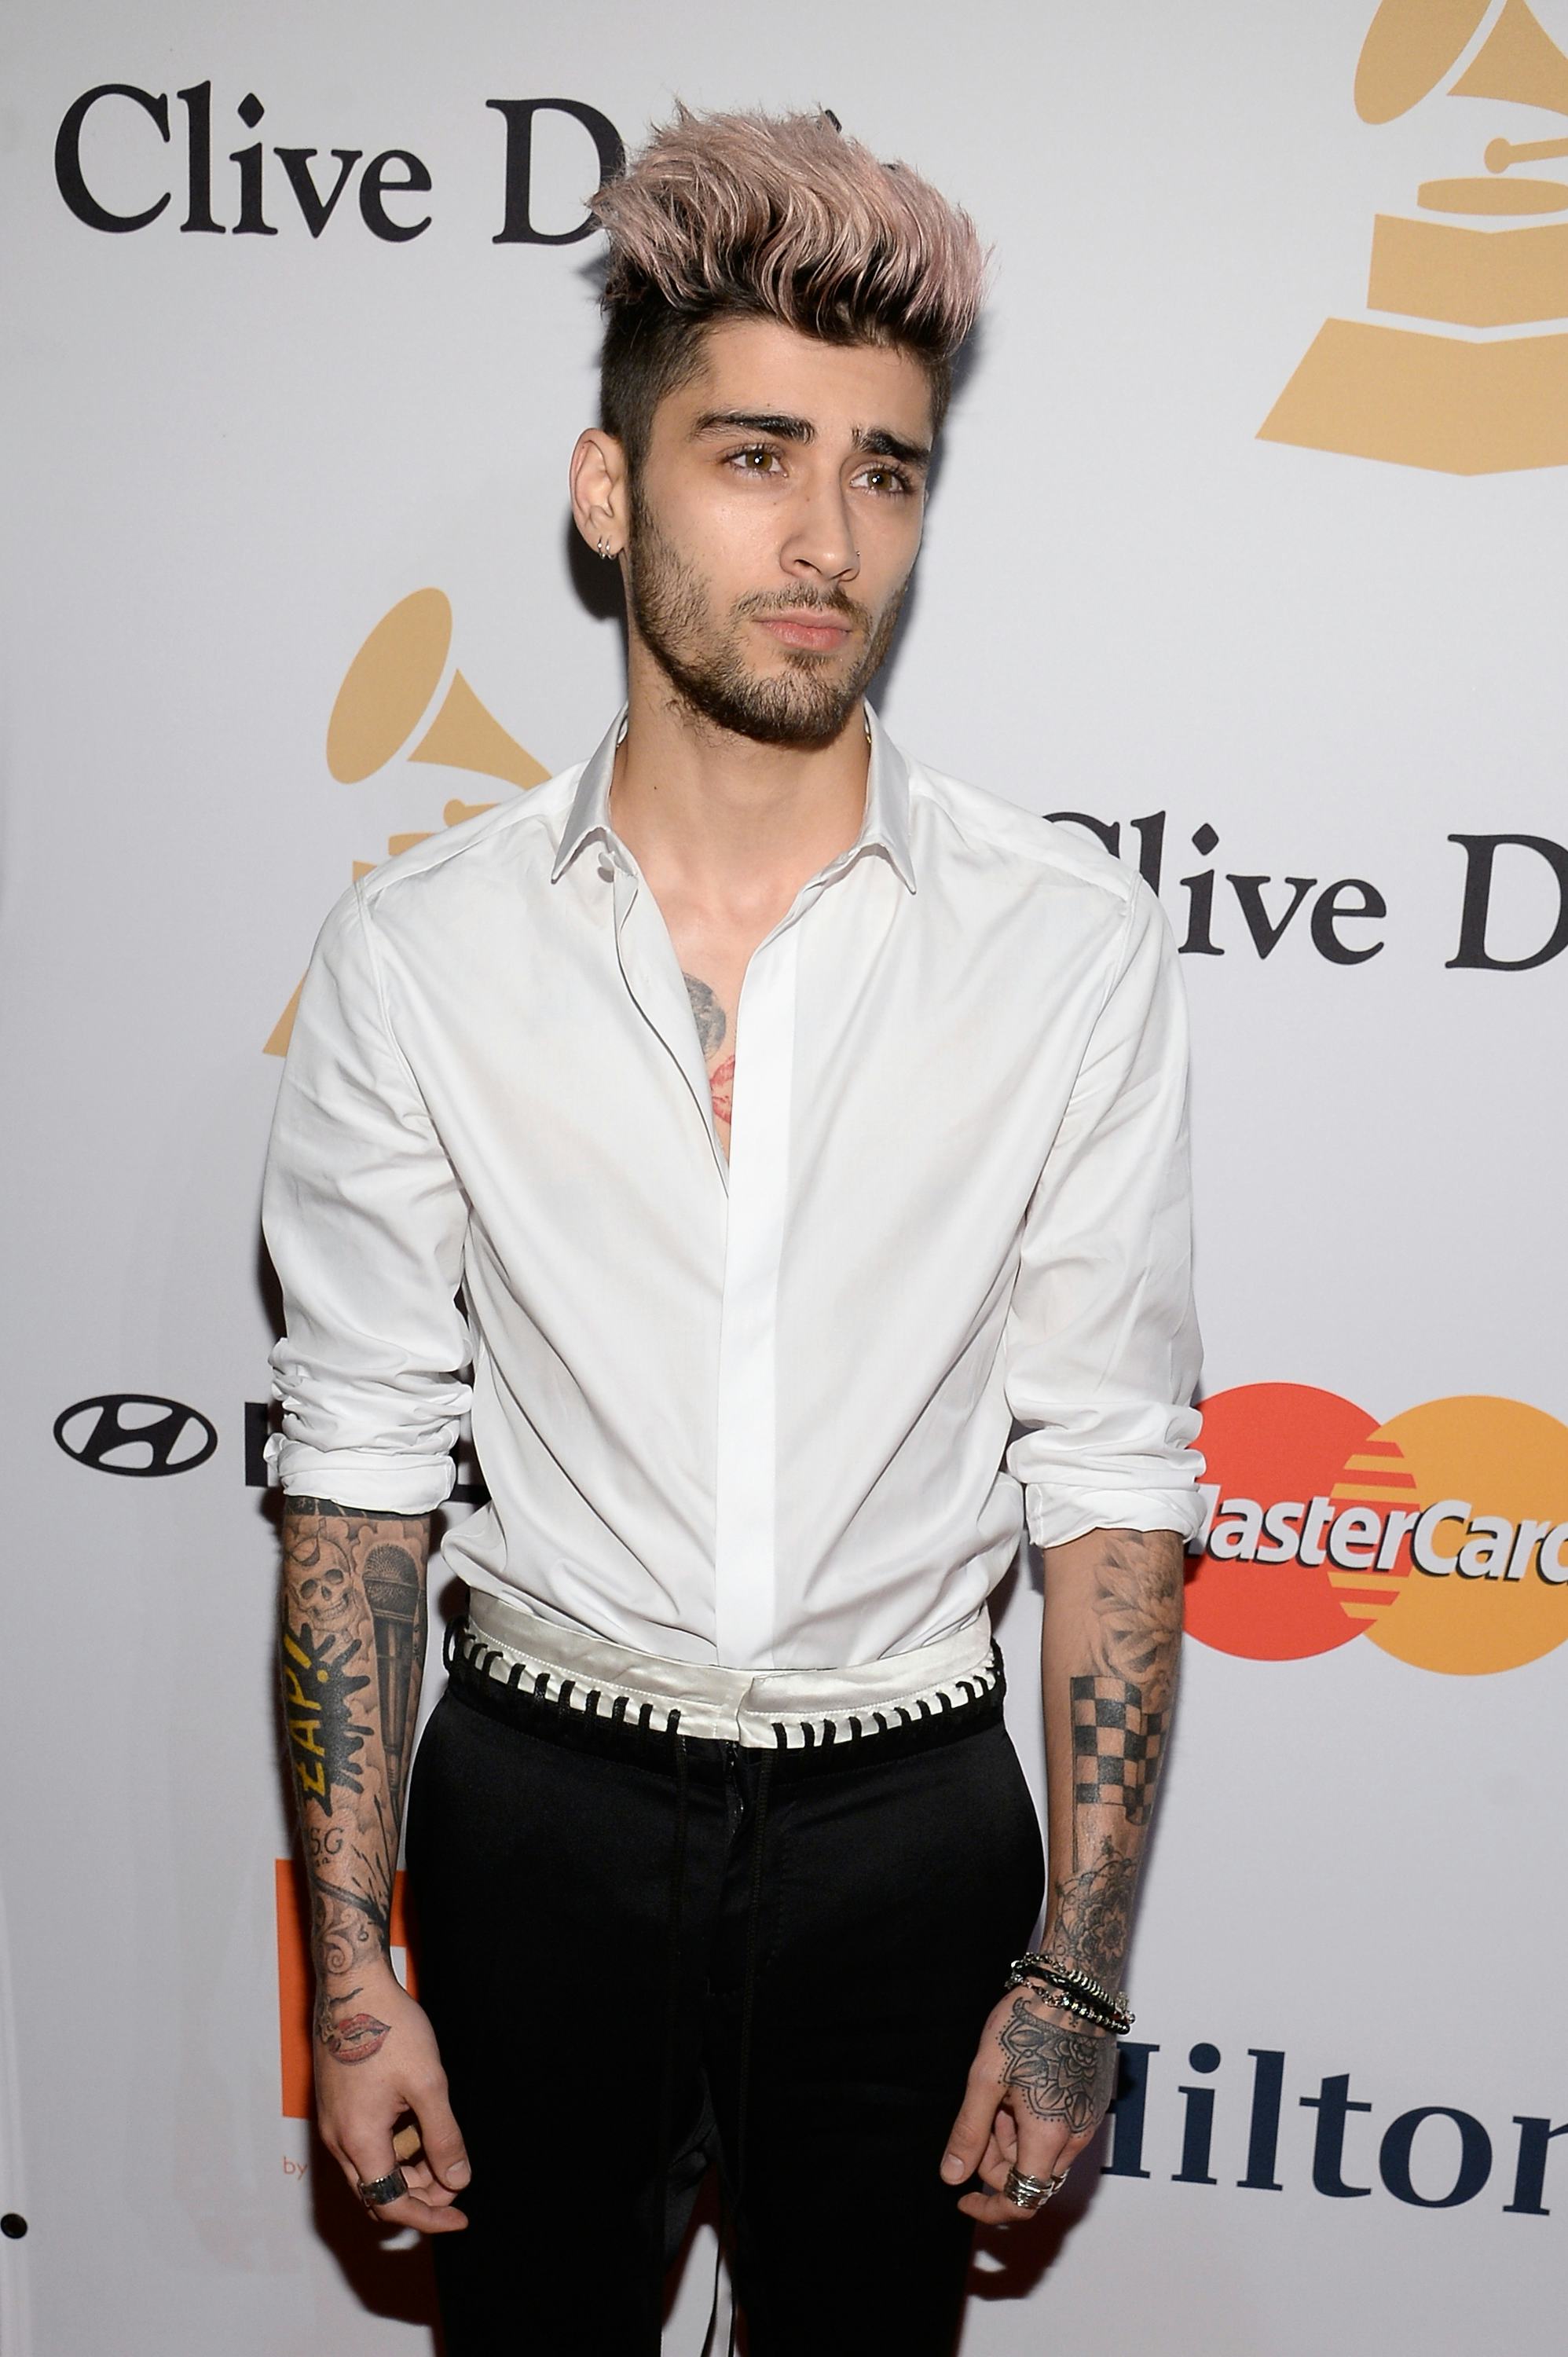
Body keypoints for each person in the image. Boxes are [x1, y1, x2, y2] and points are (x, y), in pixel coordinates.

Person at [263, 102, 1203, 2357]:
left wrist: (1075, 1973)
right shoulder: (420, 952)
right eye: (754, 455)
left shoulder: (1065, 947)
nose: (825, 538)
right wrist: (354, 1981)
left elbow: (1109, 1482)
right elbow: (359, 1483)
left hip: (912, 1834)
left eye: (886, 472)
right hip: (535, 1820)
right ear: (610, 494)